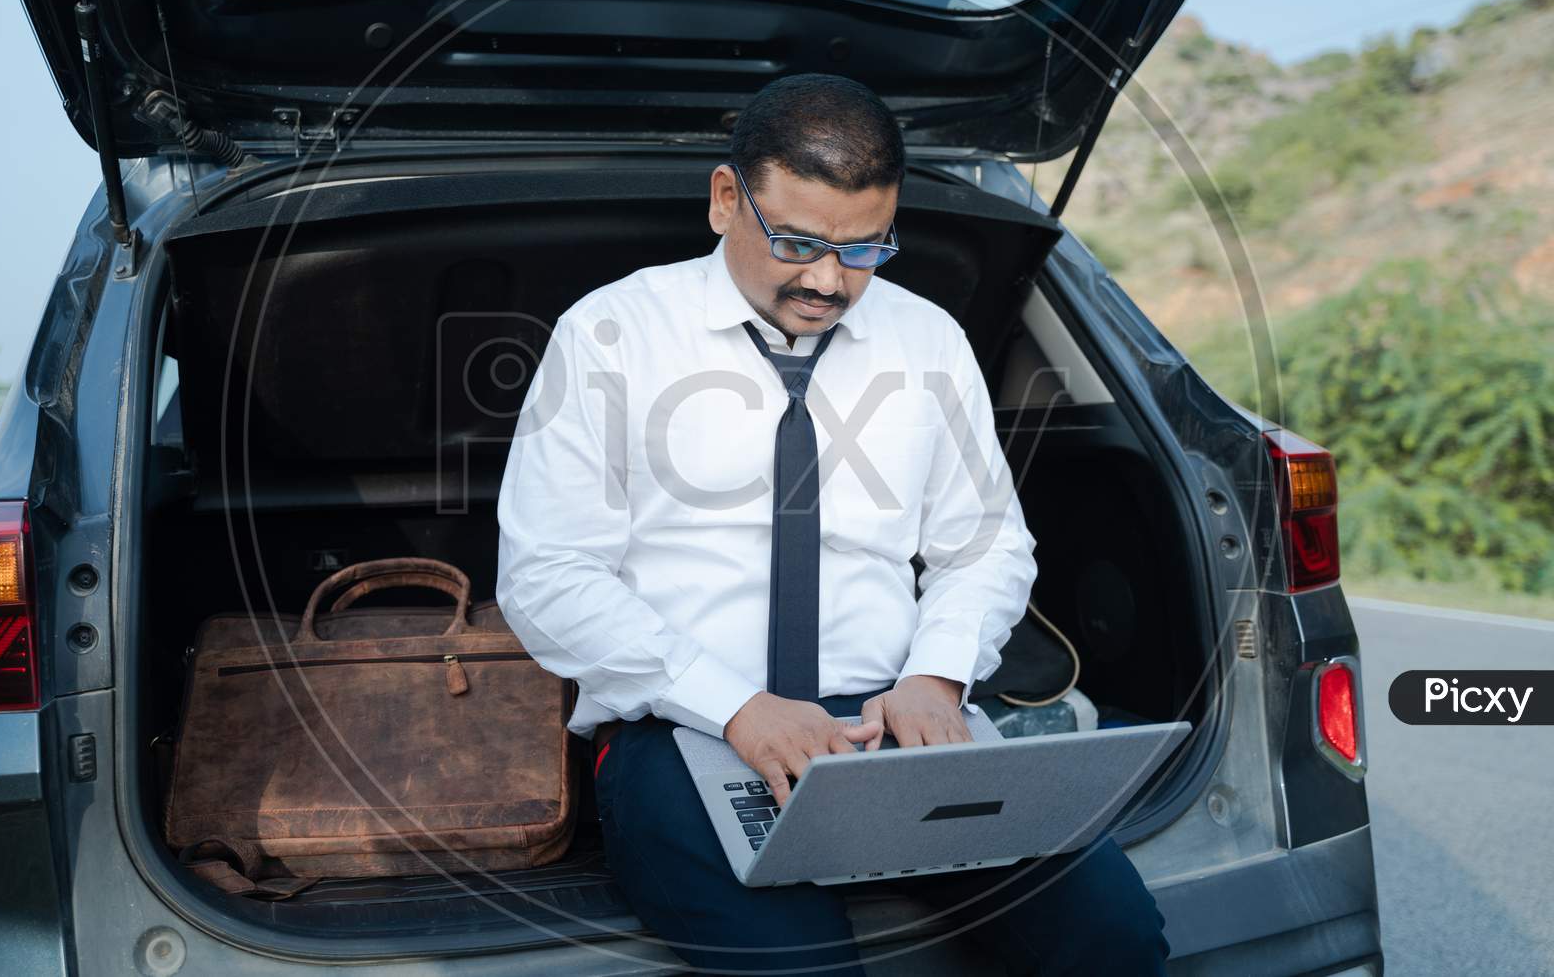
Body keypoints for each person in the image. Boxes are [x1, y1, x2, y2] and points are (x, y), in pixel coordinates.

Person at [496, 73, 1172, 975]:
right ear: (726, 198)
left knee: (1112, 936)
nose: (827, 280)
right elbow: (548, 574)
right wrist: (736, 706)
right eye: (798, 242)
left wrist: (936, 678)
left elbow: (985, 543)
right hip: (688, 728)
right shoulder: (610, 333)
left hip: (901, 723)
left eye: (862, 250)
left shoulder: (927, 338)